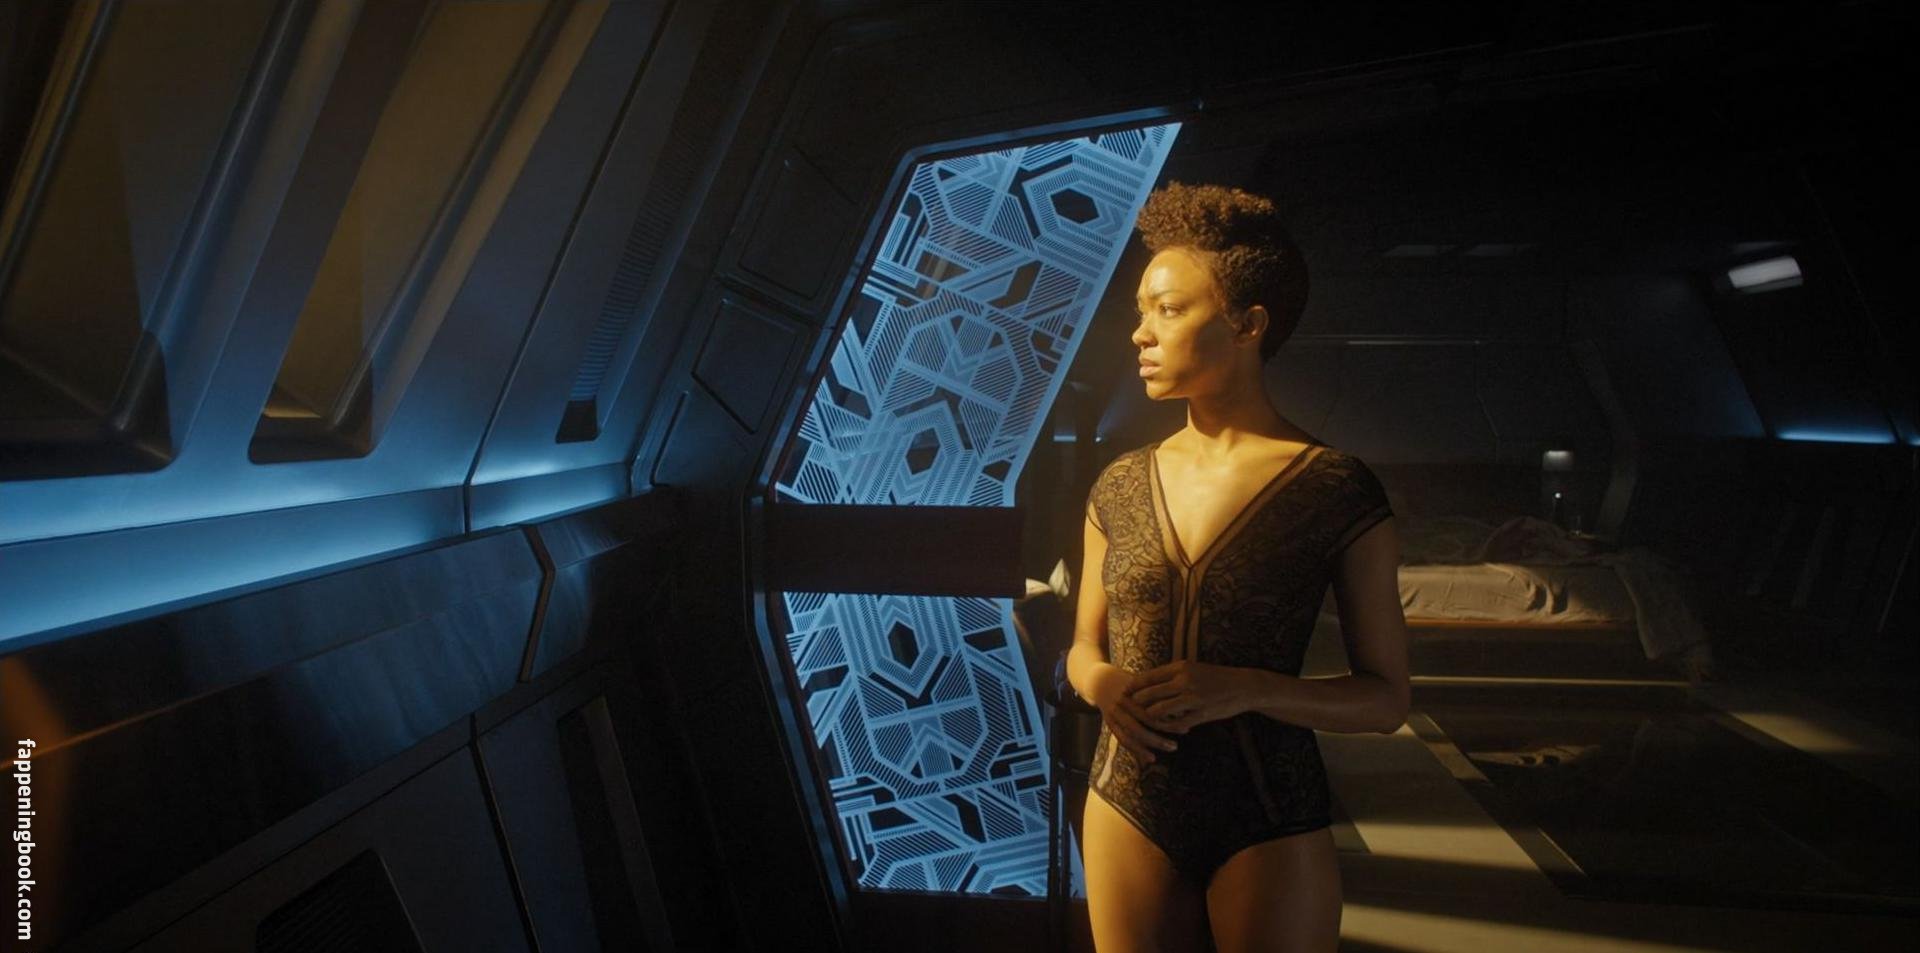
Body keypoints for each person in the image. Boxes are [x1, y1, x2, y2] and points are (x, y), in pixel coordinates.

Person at [1066, 181, 1411, 952]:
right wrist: (1105, 684)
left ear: (1248, 324)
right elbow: (1082, 648)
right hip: (1125, 803)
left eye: (1168, 309)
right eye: (1141, 310)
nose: (1140, 333)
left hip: (1268, 813)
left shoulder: (1334, 487)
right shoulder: (1118, 485)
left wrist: (1249, 687)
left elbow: (1387, 698)